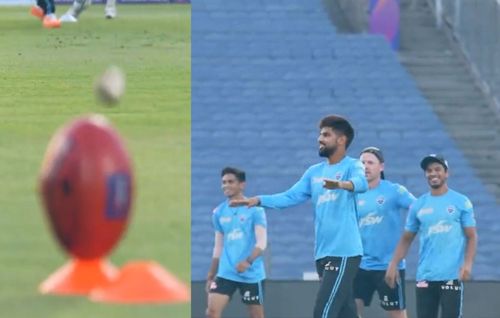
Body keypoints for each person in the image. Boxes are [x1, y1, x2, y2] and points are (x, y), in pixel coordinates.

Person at [231, 114, 368, 318]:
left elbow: (362, 184)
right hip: (322, 253)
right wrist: (258, 200)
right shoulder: (314, 172)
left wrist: (340, 184)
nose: (319, 139)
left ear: (341, 140)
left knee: (323, 311)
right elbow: (289, 197)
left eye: (326, 134)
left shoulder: (352, 165)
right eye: (320, 134)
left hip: (345, 252)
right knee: (345, 312)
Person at [385, 154, 477, 318]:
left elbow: (471, 236)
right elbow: (407, 238)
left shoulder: (461, 202)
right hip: (425, 276)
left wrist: (468, 264)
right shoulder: (419, 205)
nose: (433, 173)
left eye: (437, 169)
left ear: (446, 173)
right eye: (429, 170)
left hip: (451, 276)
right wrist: (393, 264)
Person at [354, 147, 416, 318]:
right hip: (359, 265)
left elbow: (417, 209)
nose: (365, 166)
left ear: (381, 167)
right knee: (351, 310)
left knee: (396, 313)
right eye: (362, 163)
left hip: (388, 266)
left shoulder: (394, 191)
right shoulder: (352, 194)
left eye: (370, 163)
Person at [206, 167, 267, 318]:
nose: (226, 185)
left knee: (256, 315)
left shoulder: (255, 210)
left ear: (242, 185)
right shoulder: (218, 212)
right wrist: (211, 274)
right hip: (226, 272)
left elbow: (262, 243)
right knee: (212, 311)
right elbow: (218, 246)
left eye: (230, 182)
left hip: (251, 273)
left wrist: (248, 262)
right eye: (223, 182)